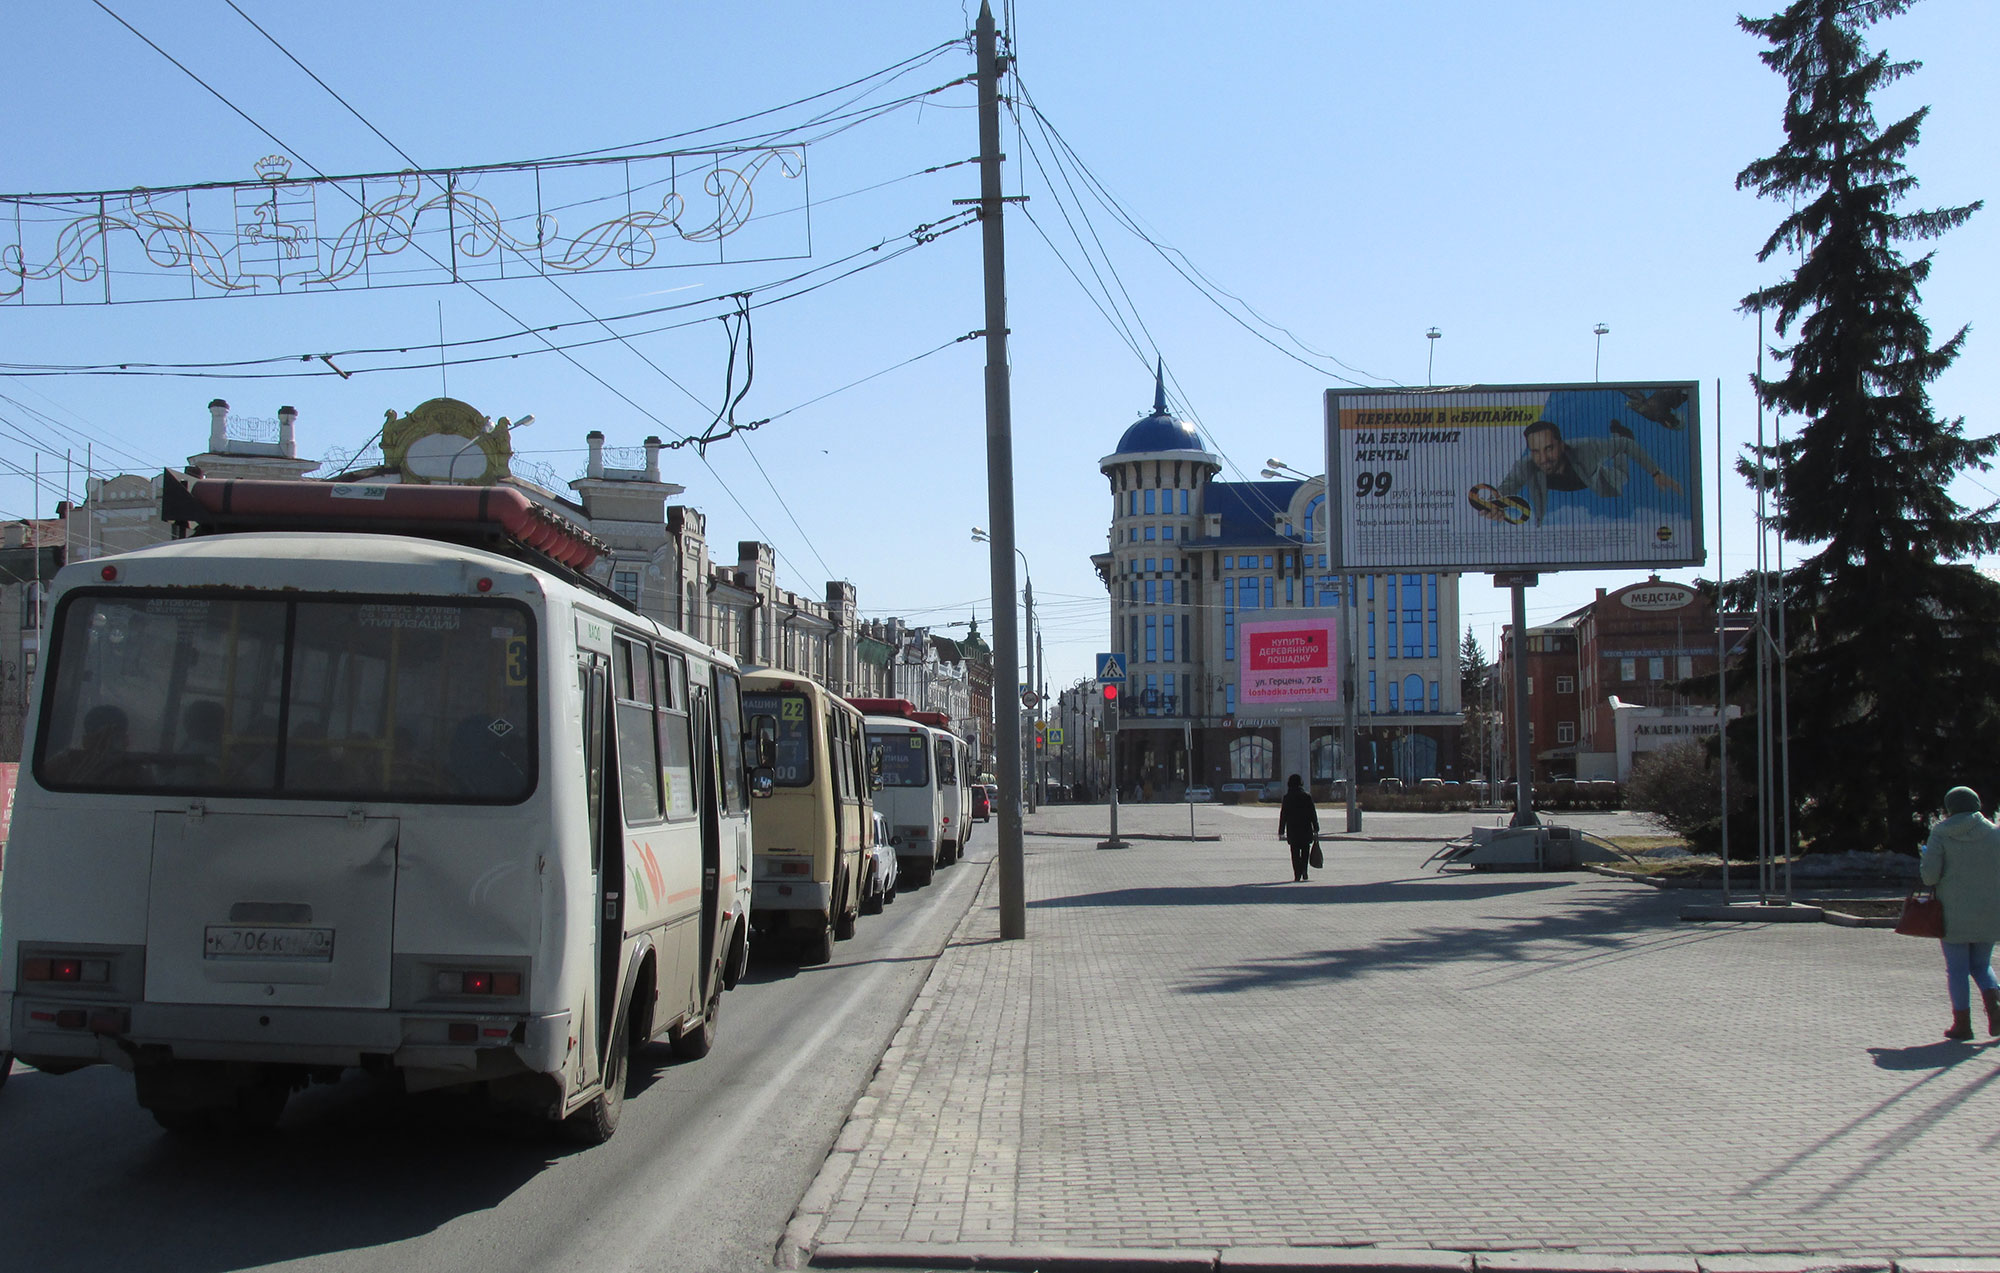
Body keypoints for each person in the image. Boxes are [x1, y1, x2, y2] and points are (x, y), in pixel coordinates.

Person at [1483, 419, 1682, 526]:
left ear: (1561, 445)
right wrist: (1496, 506)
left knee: (1622, 474)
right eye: (1536, 451)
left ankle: (1618, 433)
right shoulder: (1526, 466)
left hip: (1601, 480)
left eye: (1549, 448)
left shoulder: (1587, 448)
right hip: (1581, 480)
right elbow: (1504, 489)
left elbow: (1627, 447)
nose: (1543, 458)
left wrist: (1656, 473)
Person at [1919, 786, 2000, 1040]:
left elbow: (1930, 876)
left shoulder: (1940, 833)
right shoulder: (1995, 833)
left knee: (1957, 969)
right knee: (1981, 964)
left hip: (1952, 913)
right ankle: (1996, 1011)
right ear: (1977, 804)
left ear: (1949, 807)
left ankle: (1962, 1025)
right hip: (1989, 911)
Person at [1276, 773, 1319, 883]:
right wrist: (1316, 827)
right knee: (1305, 850)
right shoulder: (1307, 796)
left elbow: (1283, 815)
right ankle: (1304, 870)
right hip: (1305, 828)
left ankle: (1297, 873)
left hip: (1293, 829)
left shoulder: (1287, 798)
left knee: (1294, 852)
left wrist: (1281, 830)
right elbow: (1312, 813)